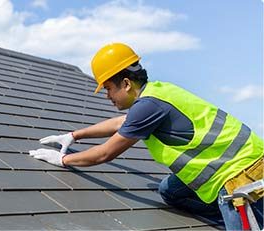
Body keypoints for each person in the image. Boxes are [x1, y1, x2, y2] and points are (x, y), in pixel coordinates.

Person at [29, 42, 264, 230]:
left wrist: (63, 160)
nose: (107, 96)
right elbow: (122, 123)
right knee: (170, 191)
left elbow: (105, 153)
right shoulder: (156, 92)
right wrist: (74, 135)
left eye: (109, 88)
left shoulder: (148, 106)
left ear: (127, 84)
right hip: (231, 168)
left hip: (242, 177)